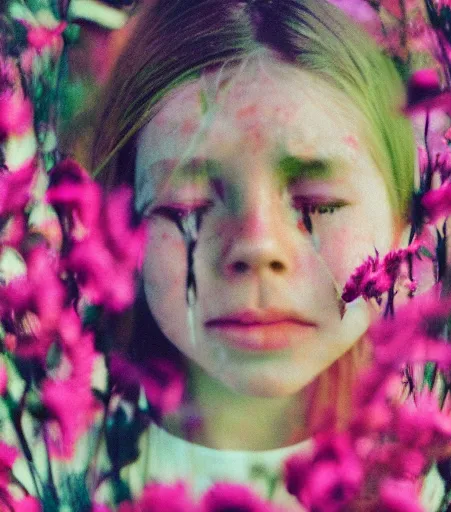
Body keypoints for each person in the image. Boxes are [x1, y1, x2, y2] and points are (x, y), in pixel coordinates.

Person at [92, 0, 416, 507]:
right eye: (189, 204)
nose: (259, 246)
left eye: (319, 204)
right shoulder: (44, 465)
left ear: (403, 225)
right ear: (119, 226)